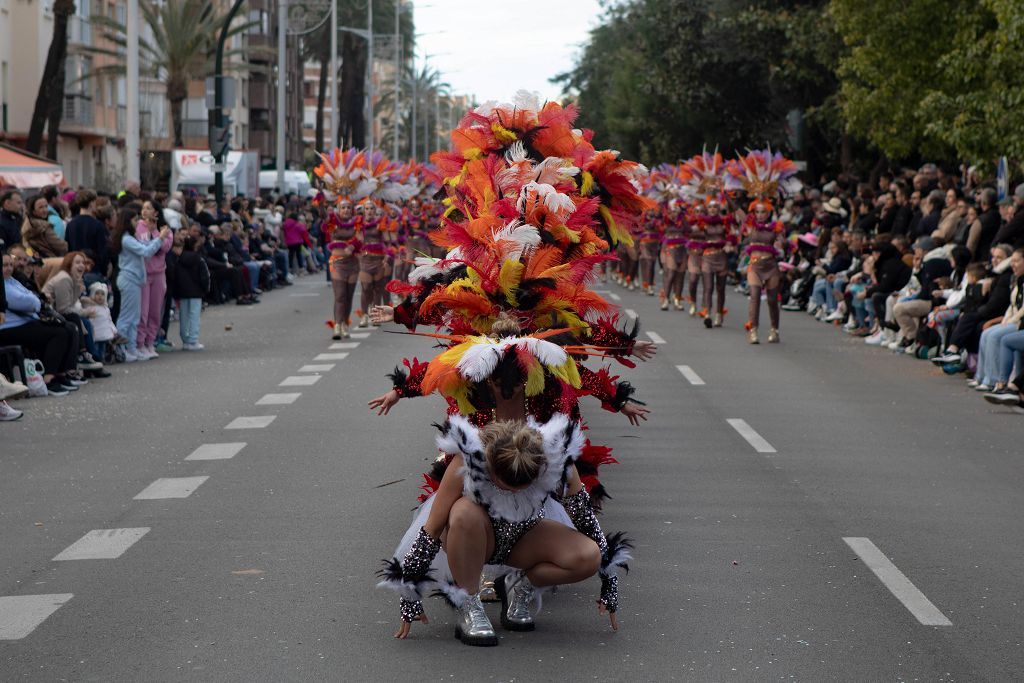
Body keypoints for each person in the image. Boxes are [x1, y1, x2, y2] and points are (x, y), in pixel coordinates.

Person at [0, 253, 78, 395]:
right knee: (58, 333)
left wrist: (34, 302)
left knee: (67, 327)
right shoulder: (4, 285)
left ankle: (60, 374)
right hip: (8, 328)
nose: (9, 268)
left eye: (10, 265)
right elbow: (24, 301)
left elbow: (31, 296)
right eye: (4, 265)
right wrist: (35, 303)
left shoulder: (12, 281)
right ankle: (48, 379)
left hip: (25, 322)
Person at [110, 205, 171, 362]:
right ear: (127, 221)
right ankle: (121, 349)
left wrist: (153, 234)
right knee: (126, 317)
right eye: (135, 219)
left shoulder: (130, 237)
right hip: (129, 279)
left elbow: (145, 246)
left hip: (135, 280)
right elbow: (146, 251)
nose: (138, 222)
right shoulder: (126, 239)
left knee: (135, 317)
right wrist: (161, 237)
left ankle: (131, 348)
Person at [972, 248, 1024, 392]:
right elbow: (1012, 305)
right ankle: (982, 376)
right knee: (987, 333)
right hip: (1013, 320)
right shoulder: (1018, 279)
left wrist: (1011, 320)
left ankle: (995, 381)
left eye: (1016, 261)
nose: (1013, 264)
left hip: (1019, 322)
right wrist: (1005, 320)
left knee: (996, 336)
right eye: (1011, 261)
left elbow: (1022, 309)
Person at [742, 200, 786, 344]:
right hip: (755, 265)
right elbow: (736, 210)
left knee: (772, 300)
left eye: (763, 212)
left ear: (768, 213)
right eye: (757, 212)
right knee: (755, 296)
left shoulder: (776, 227)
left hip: (771, 265)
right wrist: (726, 194)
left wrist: (781, 242)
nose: (760, 215)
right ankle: (753, 331)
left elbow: (783, 243)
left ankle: (775, 330)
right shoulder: (750, 225)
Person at [134, 201, 173, 360]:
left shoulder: (165, 229)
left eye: (148, 208)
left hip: (158, 273)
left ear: (156, 212)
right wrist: (150, 235)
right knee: (143, 311)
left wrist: (155, 234)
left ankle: (150, 342)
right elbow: (142, 249)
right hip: (142, 273)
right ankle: (139, 343)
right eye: (143, 208)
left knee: (155, 311)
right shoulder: (137, 227)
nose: (144, 211)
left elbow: (164, 248)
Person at [326, 199, 360, 339]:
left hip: (352, 264)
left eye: (348, 207)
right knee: (340, 295)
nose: (346, 210)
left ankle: (345, 323)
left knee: (348, 296)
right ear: (338, 210)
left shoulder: (357, 224)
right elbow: (323, 220)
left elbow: (361, 239)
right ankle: (337, 325)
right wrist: (322, 202)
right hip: (337, 263)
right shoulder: (332, 223)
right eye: (343, 207)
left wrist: (354, 245)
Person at [172, 234, 209, 351]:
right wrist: (205, 289)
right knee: (194, 316)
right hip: (196, 292)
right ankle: (193, 340)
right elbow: (204, 276)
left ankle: (185, 340)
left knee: (184, 315)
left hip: (183, 292)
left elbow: (175, 276)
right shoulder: (198, 259)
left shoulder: (178, 259)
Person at [64, 190, 110, 277]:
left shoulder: (70, 224)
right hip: (94, 269)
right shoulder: (98, 225)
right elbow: (102, 252)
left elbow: (68, 248)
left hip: (76, 269)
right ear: (91, 203)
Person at [21, 194, 67, 258]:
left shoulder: (26, 226)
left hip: (37, 261)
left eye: (46, 206)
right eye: (41, 207)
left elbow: (26, 246)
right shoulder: (44, 227)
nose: (45, 210)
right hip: (51, 259)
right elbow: (61, 247)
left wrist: (32, 256)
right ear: (33, 211)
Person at [84, 282, 117, 364]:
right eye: (97, 293)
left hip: (104, 333)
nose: (100, 296)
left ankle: (101, 359)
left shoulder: (106, 309)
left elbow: (109, 320)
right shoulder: (91, 308)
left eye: (102, 294)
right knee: (95, 348)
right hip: (95, 334)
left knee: (102, 348)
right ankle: (96, 359)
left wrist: (113, 329)